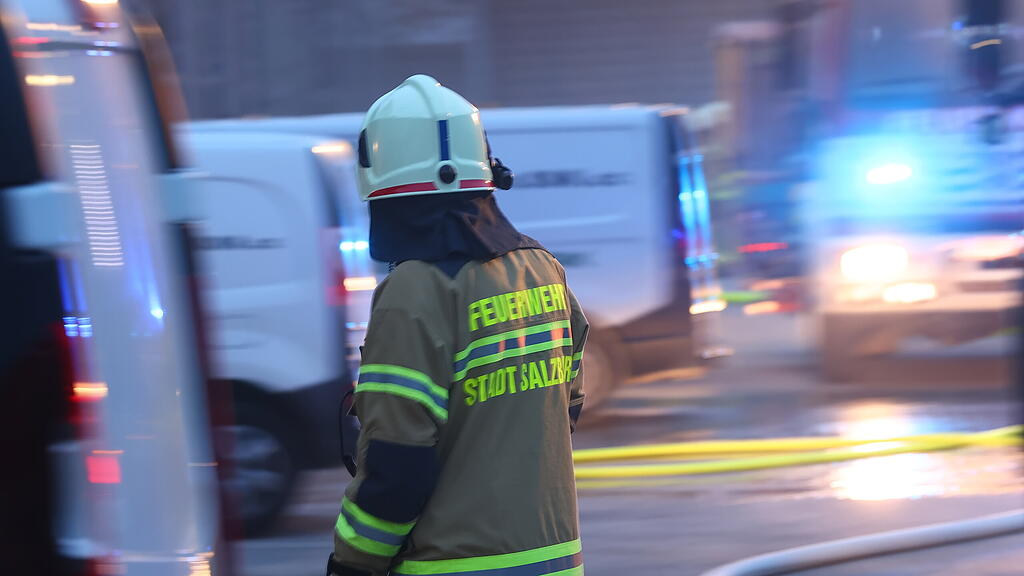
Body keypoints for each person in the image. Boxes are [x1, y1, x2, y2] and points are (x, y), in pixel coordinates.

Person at [326, 74, 588, 576]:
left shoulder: (415, 291)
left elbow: (397, 462)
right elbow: (566, 407)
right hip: (556, 561)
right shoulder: (542, 269)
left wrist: (352, 562)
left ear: (381, 184)